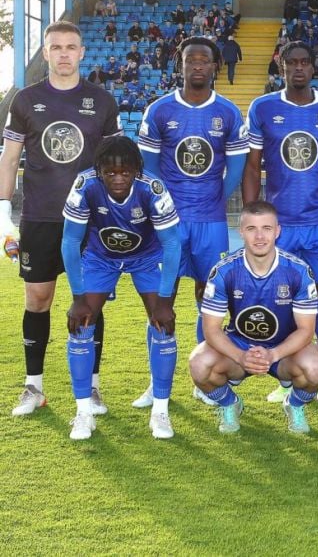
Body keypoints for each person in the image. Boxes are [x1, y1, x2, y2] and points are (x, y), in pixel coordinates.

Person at [0, 21, 121, 417]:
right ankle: (33, 387)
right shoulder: (25, 100)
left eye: (71, 46)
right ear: (47, 53)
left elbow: (111, 165)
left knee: (89, 301)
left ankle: (94, 387)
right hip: (39, 218)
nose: (64, 53)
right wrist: (3, 214)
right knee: (38, 299)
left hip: (89, 220)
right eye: (56, 47)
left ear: (83, 52)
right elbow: (10, 158)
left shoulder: (102, 101)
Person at [243, 41, 318, 408]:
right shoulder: (263, 108)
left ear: (314, 67)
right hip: (280, 227)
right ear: (281, 66)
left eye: (304, 62)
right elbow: (251, 166)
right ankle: (287, 375)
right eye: (291, 62)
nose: (297, 68)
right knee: (282, 303)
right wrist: (253, 220)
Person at [135, 37, 249, 408]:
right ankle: (157, 381)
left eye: (204, 60)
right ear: (179, 66)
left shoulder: (229, 113)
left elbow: (235, 168)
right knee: (159, 301)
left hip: (211, 222)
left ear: (216, 66)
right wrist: (161, 206)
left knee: (208, 300)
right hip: (168, 224)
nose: (197, 66)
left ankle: (203, 378)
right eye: (190, 60)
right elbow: (149, 168)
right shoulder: (160, 110)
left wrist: (216, 195)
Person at [61, 137, 181, 440]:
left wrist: (165, 301)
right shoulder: (84, 184)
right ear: (98, 169)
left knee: (163, 323)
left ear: (137, 170)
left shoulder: (152, 188)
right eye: (110, 173)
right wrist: (77, 298)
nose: (118, 178)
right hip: (101, 258)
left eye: (125, 172)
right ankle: (83, 413)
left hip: (146, 257)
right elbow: (71, 241)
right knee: (80, 323)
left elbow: (172, 244)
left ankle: (160, 411)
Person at [189, 201, 318, 434]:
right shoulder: (224, 271)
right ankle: (229, 404)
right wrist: (240, 356)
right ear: (240, 231)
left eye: (267, 228)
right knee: (199, 364)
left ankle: (294, 404)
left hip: (284, 349)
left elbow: (306, 330)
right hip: (239, 344)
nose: (259, 236)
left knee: (314, 369)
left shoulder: (299, 271)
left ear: (278, 231)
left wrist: (273, 354)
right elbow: (211, 329)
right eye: (251, 228)